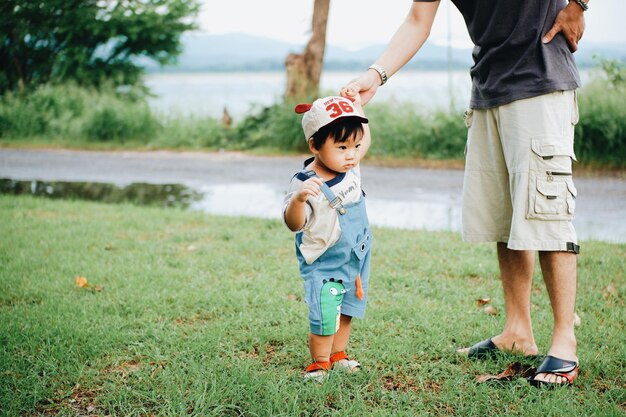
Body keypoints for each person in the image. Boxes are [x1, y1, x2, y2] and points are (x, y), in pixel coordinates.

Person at [342, 0, 588, 387]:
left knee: (548, 213)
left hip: (540, 81)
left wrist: (578, 5)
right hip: (489, 88)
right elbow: (418, 20)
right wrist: (376, 74)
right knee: (504, 217)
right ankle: (517, 331)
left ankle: (564, 343)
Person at [283, 92, 372, 381]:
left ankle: (338, 354)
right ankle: (320, 362)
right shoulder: (305, 183)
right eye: (343, 146)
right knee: (325, 314)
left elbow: (364, 140)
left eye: (356, 146)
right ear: (315, 145)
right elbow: (294, 224)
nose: (352, 154)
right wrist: (297, 202)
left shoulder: (351, 166)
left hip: (356, 255)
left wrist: (357, 105)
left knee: (347, 308)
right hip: (325, 261)